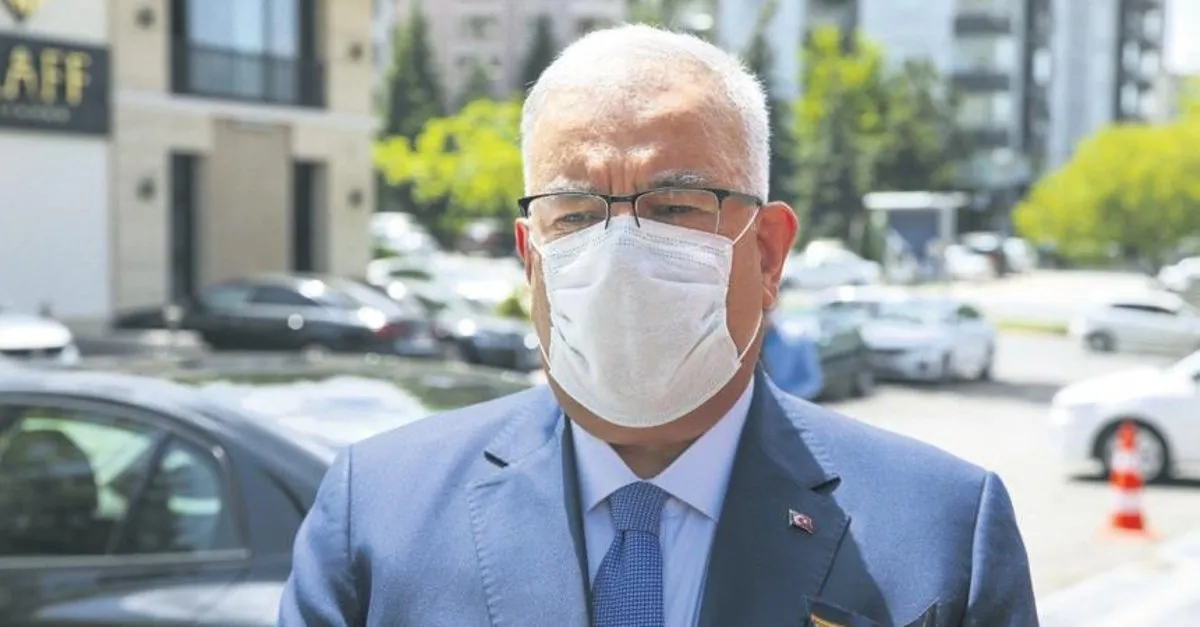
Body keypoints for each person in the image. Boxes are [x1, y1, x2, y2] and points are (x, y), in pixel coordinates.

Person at [279, 25, 1038, 627]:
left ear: (768, 253)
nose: (621, 253)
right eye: (575, 214)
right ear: (530, 256)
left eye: (675, 207)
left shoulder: (941, 529)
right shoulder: (377, 511)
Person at [760, 314, 824, 400]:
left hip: (790, 401)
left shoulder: (797, 339)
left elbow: (813, 381)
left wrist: (783, 398)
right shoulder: (749, 344)